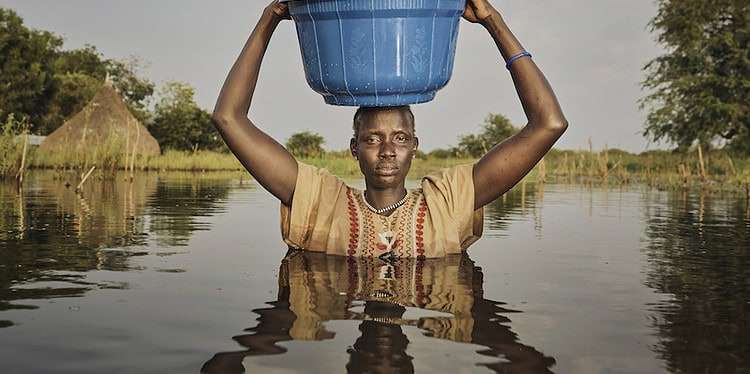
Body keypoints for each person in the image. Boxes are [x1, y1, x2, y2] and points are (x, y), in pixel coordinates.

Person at [212, 0, 568, 258]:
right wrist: (269, 19)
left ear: (415, 145)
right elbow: (229, 118)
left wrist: (494, 22)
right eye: (372, 139)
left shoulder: (448, 203)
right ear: (354, 147)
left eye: (399, 138)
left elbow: (549, 124)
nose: (387, 150)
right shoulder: (321, 201)